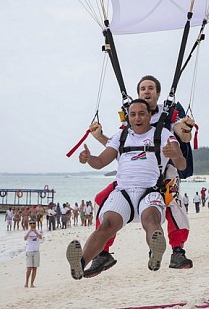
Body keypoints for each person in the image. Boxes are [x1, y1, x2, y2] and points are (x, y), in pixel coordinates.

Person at [83, 75, 196, 277]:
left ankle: (177, 251)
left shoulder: (168, 114)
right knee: (102, 201)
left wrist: (186, 130)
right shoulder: (131, 118)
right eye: (143, 88)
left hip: (164, 168)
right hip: (133, 174)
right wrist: (99, 138)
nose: (146, 91)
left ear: (158, 93)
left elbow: (183, 133)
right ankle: (102, 253)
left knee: (173, 203)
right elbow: (120, 148)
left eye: (151, 88)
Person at [24, 220, 43, 288]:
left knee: (35, 268)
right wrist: (30, 231)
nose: (32, 224)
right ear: (29, 224)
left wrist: (35, 232)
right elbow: (25, 239)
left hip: (36, 251)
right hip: (29, 251)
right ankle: (26, 283)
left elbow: (40, 237)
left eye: (33, 223)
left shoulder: (38, 231)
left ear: (35, 224)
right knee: (29, 268)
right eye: (31, 223)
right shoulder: (27, 231)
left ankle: (32, 283)